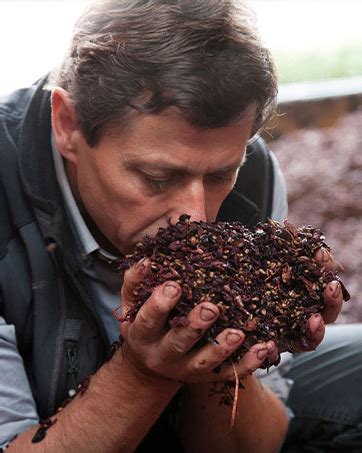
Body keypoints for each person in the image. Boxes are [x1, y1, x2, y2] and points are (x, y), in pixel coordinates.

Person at [0, 1, 350, 451]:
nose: (197, 216)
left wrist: (222, 348)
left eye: (221, 174)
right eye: (157, 178)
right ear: (68, 124)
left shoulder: (254, 172)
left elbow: (254, 445)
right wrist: (142, 373)